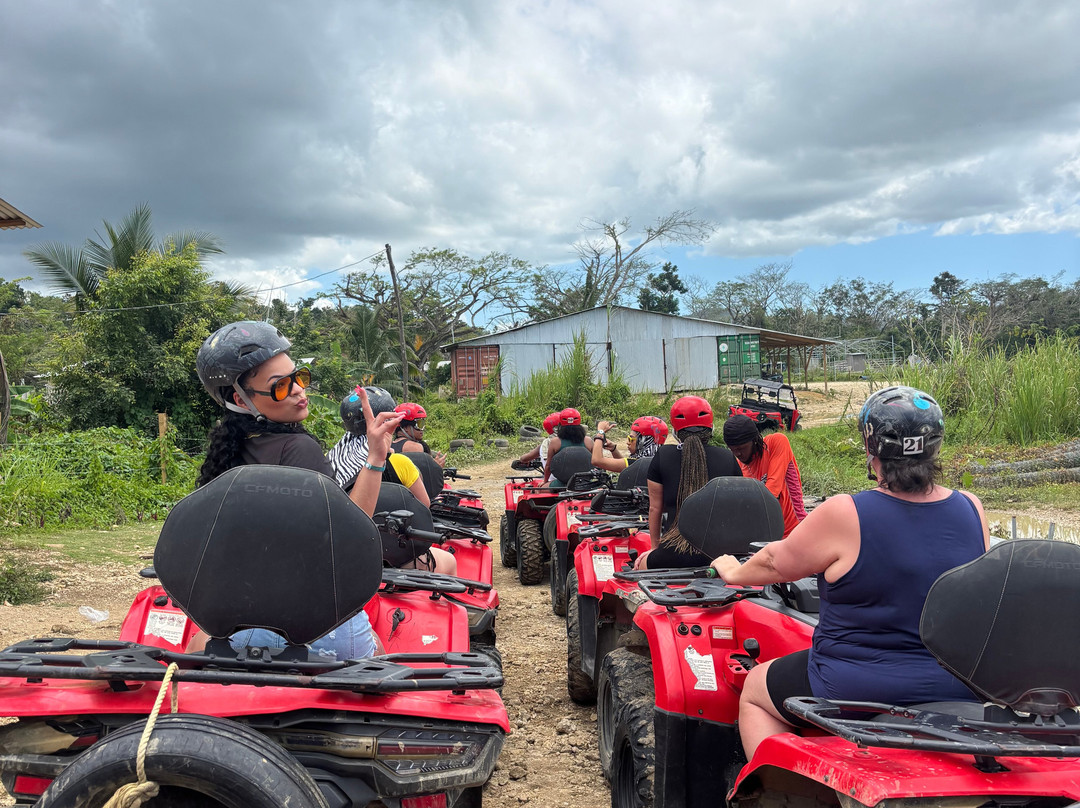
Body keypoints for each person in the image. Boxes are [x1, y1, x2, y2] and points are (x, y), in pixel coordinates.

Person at [711, 386, 990, 760]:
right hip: (959, 684)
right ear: (935, 446)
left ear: (871, 448)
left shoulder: (846, 512)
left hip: (852, 686)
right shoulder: (972, 508)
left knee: (756, 692)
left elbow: (777, 563)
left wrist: (733, 571)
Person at [193, 320, 398, 659]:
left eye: (298, 377)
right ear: (240, 399)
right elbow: (350, 535)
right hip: (314, 627)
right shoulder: (298, 450)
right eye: (280, 386)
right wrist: (376, 456)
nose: (299, 391)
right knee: (376, 648)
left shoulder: (227, 454)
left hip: (232, 628)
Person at [329, 387, 457, 575]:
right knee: (450, 561)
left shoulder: (334, 459)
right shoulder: (398, 461)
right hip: (394, 558)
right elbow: (424, 505)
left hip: (345, 556)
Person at [636, 396, 742, 569]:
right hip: (718, 556)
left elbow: (655, 508)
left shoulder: (663, 456)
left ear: (675, 432)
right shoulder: (728, 458)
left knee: (639, 567)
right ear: (711, 428)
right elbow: (736, 510)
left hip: (671, 552)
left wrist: (654, 549)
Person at [722, 414, 807, 537]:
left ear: (755, 440)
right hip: (765, 536)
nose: (737, 454)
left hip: (795, 531)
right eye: (732, 450)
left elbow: (771, 492)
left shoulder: (777, 443)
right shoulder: (739, 465)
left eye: (741, 448)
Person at [589, 416, 668, 473]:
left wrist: (600, 432)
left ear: (643, 441)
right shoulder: (658, 461)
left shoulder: (639, 463)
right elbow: (628, 468)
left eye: (631, 439)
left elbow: (597, 460)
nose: (627, 442)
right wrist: (614, 449)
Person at [542, 407, 595, 485]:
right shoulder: (588, 441)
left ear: (560, 424)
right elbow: (598, 462)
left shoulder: (555, 442)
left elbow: (548, 467)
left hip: (562, 483)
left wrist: (545, 482)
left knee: (539, 490)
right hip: (585, 484)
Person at [391, 402, 448, 467]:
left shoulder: (388, 446)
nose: (422, 429)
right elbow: (422, 474)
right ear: (406, 427)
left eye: (422, 424)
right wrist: (435, 467)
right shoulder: (416, 447)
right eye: (419, 425)